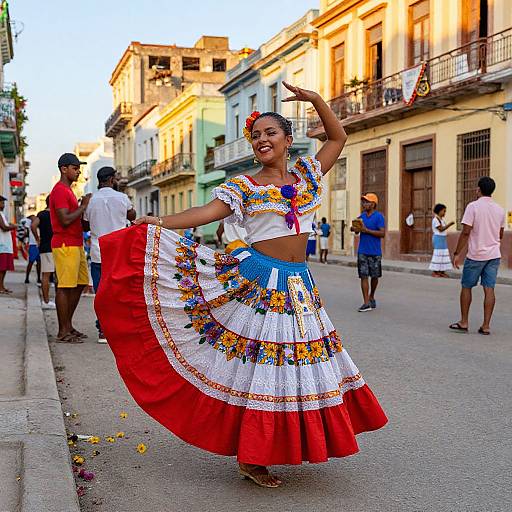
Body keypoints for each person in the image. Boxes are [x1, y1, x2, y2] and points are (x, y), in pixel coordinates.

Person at [95, 82, 387, 488]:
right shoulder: (243, 186)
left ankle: (278, 446)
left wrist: (316, 101)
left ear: (288, 140)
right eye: (256, 135)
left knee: (297, 365)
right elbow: (204, 212)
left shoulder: (307, 174)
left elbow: (338, 136)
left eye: (270, 133)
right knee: (258, 368)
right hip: (260, 283)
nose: (261, 140)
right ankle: (253, 457)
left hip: (299, 285)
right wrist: (157, 222)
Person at [84, 166, 136, 343]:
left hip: (99, 252)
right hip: (119, 252)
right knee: (121, 291)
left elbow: (85, 224)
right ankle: (119, 329)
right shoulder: (122, 198)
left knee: (101, 293)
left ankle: (103, 330)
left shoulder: (91, 200)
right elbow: (132, 215)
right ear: (112, 179)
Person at [450, 177, 505, 335]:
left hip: (476, 255)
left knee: (467, 286)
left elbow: (466, 231)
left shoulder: (472, 207)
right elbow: (500, 234)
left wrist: (456, 253)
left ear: (478, 189)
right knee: (489, 289)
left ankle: (464, 322)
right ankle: (486, 325)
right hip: (494, 255)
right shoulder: (500, 209)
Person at [49, 153, 91, 343]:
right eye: (75, 168)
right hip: (65, 243)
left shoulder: (68, 191)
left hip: (76, 243)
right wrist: (84, 206)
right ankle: (62, 331)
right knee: (65, 287)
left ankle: (68, 325)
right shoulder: (59, 191)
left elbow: (74, 220)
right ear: (63, 169)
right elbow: (65, 219)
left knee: (80, 283)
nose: (78, 171)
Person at [351, 193, 385, 312]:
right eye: (363, 202)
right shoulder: (361, 216)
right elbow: (357, 230)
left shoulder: (379, 217)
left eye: (367, 202)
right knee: (363, 276)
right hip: (362, 251)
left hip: (375, 251)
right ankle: (366, 302)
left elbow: (382, 233)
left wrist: (367, 230)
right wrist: (355, 229)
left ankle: (372, 296)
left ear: (373, 204)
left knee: (374, 276)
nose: (364, 204)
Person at [31, 196, 56, 309]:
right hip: (56, 247)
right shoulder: (56, 214)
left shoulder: (41, 214)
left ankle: (46, 300)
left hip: (45, 247)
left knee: (46, 274)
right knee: (55, 275)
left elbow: (33, 225)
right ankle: (49, 301)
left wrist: (37, 238)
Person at [429, 203, 454, 278]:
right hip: (438, 239)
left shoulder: (441, 220)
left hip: (442, 239)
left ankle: (442, 271)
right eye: (443, 211)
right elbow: (440, 229)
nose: (444, 213)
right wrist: (450, 224)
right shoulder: (435, 220)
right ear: (439, 211)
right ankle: (435, 271)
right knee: (438, 254)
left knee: (443, 254)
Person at [0, 195, 16, 294]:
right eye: (1, 203)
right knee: (1, 268)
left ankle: (2, 286)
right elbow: (4, 227)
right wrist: (13, 226)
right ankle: (0, 287)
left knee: (4, 268)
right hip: (1, 245)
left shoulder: (2, 214)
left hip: (5, 244)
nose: (3, 205)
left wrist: (10, 225)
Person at [25, 215, 41, 284]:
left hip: (39, 245)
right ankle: (27, 277)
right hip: (33, 244)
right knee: (31, 262)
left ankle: (38, 278)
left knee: (39, 262)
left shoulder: (39, 225)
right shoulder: (30, 224)